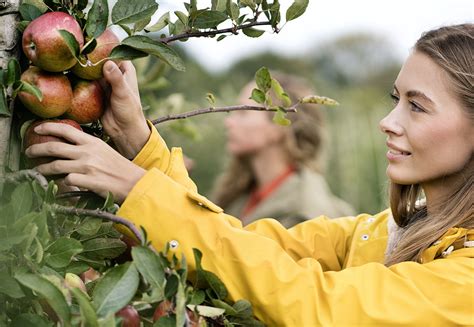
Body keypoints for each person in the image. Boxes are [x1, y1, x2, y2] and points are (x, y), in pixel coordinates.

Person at [26, 24, 473, 325]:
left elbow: (315, 306)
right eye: (394, 99)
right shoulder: (383, 233)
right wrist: (141, 146)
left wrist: (137, 187)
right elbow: (237, 250)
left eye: (416, 106)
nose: (388, 121)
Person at [212, 74, 355, 227]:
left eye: (243, 112)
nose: (229, 121)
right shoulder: (240, 194)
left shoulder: (304, 213)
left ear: (279, 126)